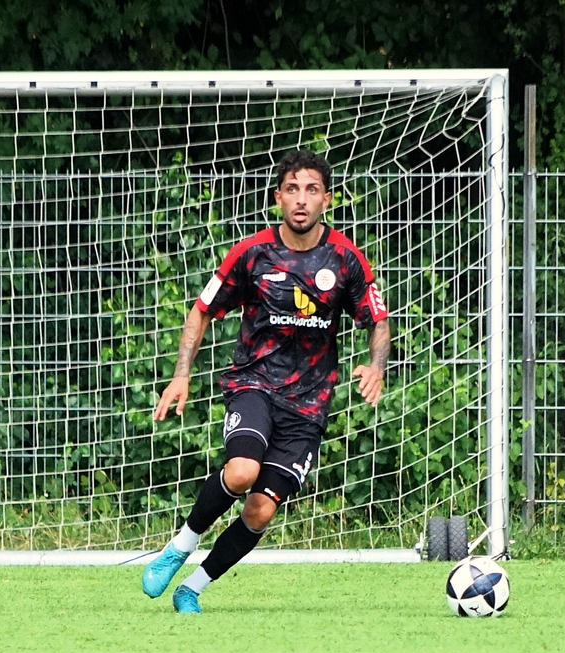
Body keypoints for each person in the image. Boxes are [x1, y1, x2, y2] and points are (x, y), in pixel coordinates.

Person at [143, 150, 390, 613]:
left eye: (311, 190)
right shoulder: (252, 253)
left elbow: (377, 319)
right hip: (254, 385)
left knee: (260, 510)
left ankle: (191, 588)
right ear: (278, 198)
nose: (301, 199)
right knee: (241, 472)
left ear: (327, 200)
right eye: (292, 189)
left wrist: (376, 366)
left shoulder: (346, 258)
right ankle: (180, 546)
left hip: (308, 405)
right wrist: (181, 376)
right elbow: (201, 310)